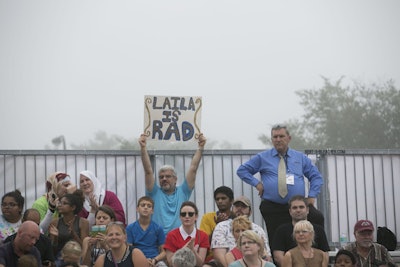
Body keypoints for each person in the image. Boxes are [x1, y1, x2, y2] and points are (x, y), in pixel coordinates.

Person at [236, 124, 324, 243]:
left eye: (281, 136)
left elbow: (316, 177)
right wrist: (257, 183)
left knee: (317, 218)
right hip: (273, 207)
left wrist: (312, 195)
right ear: (272, 140)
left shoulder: (301, 158)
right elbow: (242, 170)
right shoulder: (262, 157)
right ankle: (278, 260)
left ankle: (318, 254)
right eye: (275, 137)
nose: (278, 140)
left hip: (297, 206)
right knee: (277, 239)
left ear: (289, 138)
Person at [139, 132, 206, 234]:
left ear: (175, 179)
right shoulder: (154, 192)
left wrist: (201, 147)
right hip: (158, 240)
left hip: (179, 240)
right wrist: (143, 148)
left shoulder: (183, 191)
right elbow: (148, 170)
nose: (164, 179)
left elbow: (193, 168)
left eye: (168, 176)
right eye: (161, 177)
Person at [210, 196, 272, 267]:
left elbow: (267, 256)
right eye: (236, 206)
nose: (239, 209)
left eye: (243, 206)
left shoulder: (258, 229)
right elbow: (219, 255)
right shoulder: (221, 227)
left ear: (250, 211)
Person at [272, 195, 330, 266]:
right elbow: (278, 256)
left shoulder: (318, 229)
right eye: (294, 208)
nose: (298, 210)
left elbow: (325, 254)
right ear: (290, 211)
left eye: (301, 207)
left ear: (307, 210)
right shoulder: (281, 230)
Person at [164, 201, 209, 267]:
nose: (187, 216)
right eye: (183, 214)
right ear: (180, 217)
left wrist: (193, 250)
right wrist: (185, 249)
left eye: (190, 214)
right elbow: (171, 263)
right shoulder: (171, 235)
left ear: (196, 216)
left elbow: (200, 264)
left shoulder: (203, 235)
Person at [126, 196, 166, 266]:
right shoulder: (130, 228)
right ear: (137, 209)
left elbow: (164, 252)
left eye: (149, 206)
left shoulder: (158, 228)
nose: (145, 207)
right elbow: (129, 250)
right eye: (143, 205)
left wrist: (155, 260)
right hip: (136, 260)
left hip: (155, 261)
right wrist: (142, 260)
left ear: (152, 211)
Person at [49, 189, 89, 259]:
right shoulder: (55, 222)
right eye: (60, 203)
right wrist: (55, 237)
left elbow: (84, 247)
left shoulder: (83, 222)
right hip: (60, 257)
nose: (60, 205)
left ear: (73, 207)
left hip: (77, 256)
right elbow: (52, 249)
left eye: (64, 203)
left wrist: (73, 234)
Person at [200, 186, 234, 263]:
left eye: (223, 198)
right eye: (217, 199)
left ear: (231, 200)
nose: (220, 201)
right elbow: (204, 243)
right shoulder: (207, 217)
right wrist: (218, 226)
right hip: (213, 257)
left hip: (235, 256)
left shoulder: (237, 219)